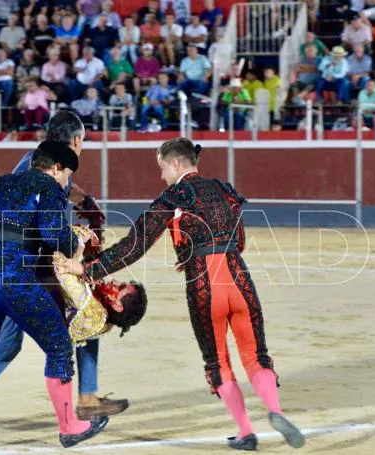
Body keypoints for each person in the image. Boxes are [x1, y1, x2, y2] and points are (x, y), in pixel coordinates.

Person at [56, 137, 306, 451]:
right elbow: (239, 240)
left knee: (218, 364)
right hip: (239, 277)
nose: (162, 176)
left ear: (175, 163)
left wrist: (89, 270)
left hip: (204, 284)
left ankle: (246, 433)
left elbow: (135, 245)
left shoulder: (174, 195)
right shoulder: (223, 189)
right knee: (256, 356)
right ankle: (276, 412)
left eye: (162, 168)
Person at [0, 111, 128, 439]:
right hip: (27, 266)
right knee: (83, 318)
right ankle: (80, 404)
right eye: (83, 140)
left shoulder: (40, 161)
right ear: (75, 141)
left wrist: (85, 200)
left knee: (29, 335)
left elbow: (64, 189)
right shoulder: (40, 168)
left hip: (14, 263)